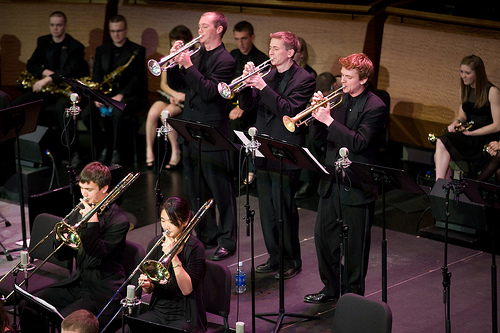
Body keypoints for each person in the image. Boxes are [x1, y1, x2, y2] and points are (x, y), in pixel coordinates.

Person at [303, 53, 388, 303]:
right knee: (323, 238)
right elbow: (318, 140)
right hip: (331, 182)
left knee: (354, 248)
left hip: (358, 185)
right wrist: (317, 117)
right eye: (342, 75)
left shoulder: (376, 106)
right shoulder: (338, 100)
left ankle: (352, 298)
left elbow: (360, 142)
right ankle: (331, 287)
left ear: (363, 79)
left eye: (348, 77)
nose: (342, 81)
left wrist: (328, 119)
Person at [239, 31, 316, 279]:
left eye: (275, 48)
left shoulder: (305, 79)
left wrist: (262, 86)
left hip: (286, 150)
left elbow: (289, 111)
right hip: (264, 149)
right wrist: (245, 83)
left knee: (284, 208)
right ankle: (274, 257)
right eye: (269, 47)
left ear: (290, 53)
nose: (270, 52)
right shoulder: (268, 74)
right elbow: (247, 106)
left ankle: (292, 259)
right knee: (268, 209)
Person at [20, 161, 130, 330]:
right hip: (79, 282)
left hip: (102, 290)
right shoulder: (80, 209)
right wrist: (60, 238)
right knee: (29, 306)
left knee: (65, 322)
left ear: (104, 188)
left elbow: (94, 260)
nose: (84, 194)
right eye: (81, 188)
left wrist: (92, 225)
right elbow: (62, 255)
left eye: (89, 189)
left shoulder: (119, 221)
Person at [167, 11, 237, 261]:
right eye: (198, 26)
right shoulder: (195, 54)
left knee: (221, 192)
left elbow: (209, 93)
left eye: (204, 26)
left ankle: (227, 240)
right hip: (191, 131)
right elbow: (179, 85)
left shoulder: (226, 60)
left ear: (218, 29)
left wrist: (187, 65)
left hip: (213, 134)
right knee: (197, 190)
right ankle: (207, 234)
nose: (199, 31)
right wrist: (175, 62)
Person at [13, 11, 88, 158]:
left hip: (66, 90)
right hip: (47, 90)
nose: (55, 28)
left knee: (62, 108)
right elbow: (31, 65)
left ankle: (72, 152)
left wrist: (49, 78)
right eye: (52, 25)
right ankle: (26, 149)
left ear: (65, 26)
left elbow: (70, 71)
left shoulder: (76, 47)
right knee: (18, 103)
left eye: (59, 25)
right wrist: (44, 71)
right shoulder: (43, 41)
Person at [81, 14, 147, 165]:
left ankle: (116, 150)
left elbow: (137, 79)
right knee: (86, 114)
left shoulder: (137, 50)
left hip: (129, 96)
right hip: (105, 95)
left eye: (119, 30)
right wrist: (97, 96)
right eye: (112, 31)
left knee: (118, 113)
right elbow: (97, 75)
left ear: (126, 30)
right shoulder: (102, 50)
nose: (116, 34)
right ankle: (104, 145)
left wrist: (121, 95)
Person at [134, 197, 206, 333]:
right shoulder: (156, 243)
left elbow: (187, 290)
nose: (165, 227)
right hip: (159, 310)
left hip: (186, 315)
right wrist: (148, 285)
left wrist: (173, 257)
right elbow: (150, 289)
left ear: (185, 222)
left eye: (171, 222)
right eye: (162, 221)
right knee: (131, 327)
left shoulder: (195, 247)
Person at [434, 55, 500, 180]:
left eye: (467, 73)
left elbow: (498, 125)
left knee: (442, 149)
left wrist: (472, 133)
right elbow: (462, 115)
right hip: (469, 133)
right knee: (441, 141)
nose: (463, 76)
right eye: (461, 72)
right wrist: (456, 122)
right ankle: (440, 185)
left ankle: (443, 187)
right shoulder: (463, 90)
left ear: (478, 73)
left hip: (485, 137)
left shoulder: (492, 91)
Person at [145, 25, 193, 171]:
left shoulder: (192, 59)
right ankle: (149, 151)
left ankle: (175, 151)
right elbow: (163, 84)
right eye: (172, 42)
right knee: (152, 113)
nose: (174, 45)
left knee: (165, 115)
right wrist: (173, 95)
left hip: (184, 98)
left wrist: (181, 96)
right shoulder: (170, 58)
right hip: (171, 95)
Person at [228, 21, 268, 182]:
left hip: (251, 108)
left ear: (252, 37)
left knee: (235, 124)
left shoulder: (261, 59)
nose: (240, 43)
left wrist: (241, 107)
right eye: (237, 39)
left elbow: (258, 92)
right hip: (231, 105)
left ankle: (237, 172)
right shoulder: (233, 54)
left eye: (244, 38)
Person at [295, 72, 339, 199]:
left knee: (311, 142)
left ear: (333, 86)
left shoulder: (339, 96)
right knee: (308, 139)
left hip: (334, 133)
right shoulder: (317, 93)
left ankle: (309, 182)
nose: (324, 95)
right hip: (320, 132)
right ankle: (303, 179)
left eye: (326, 92)